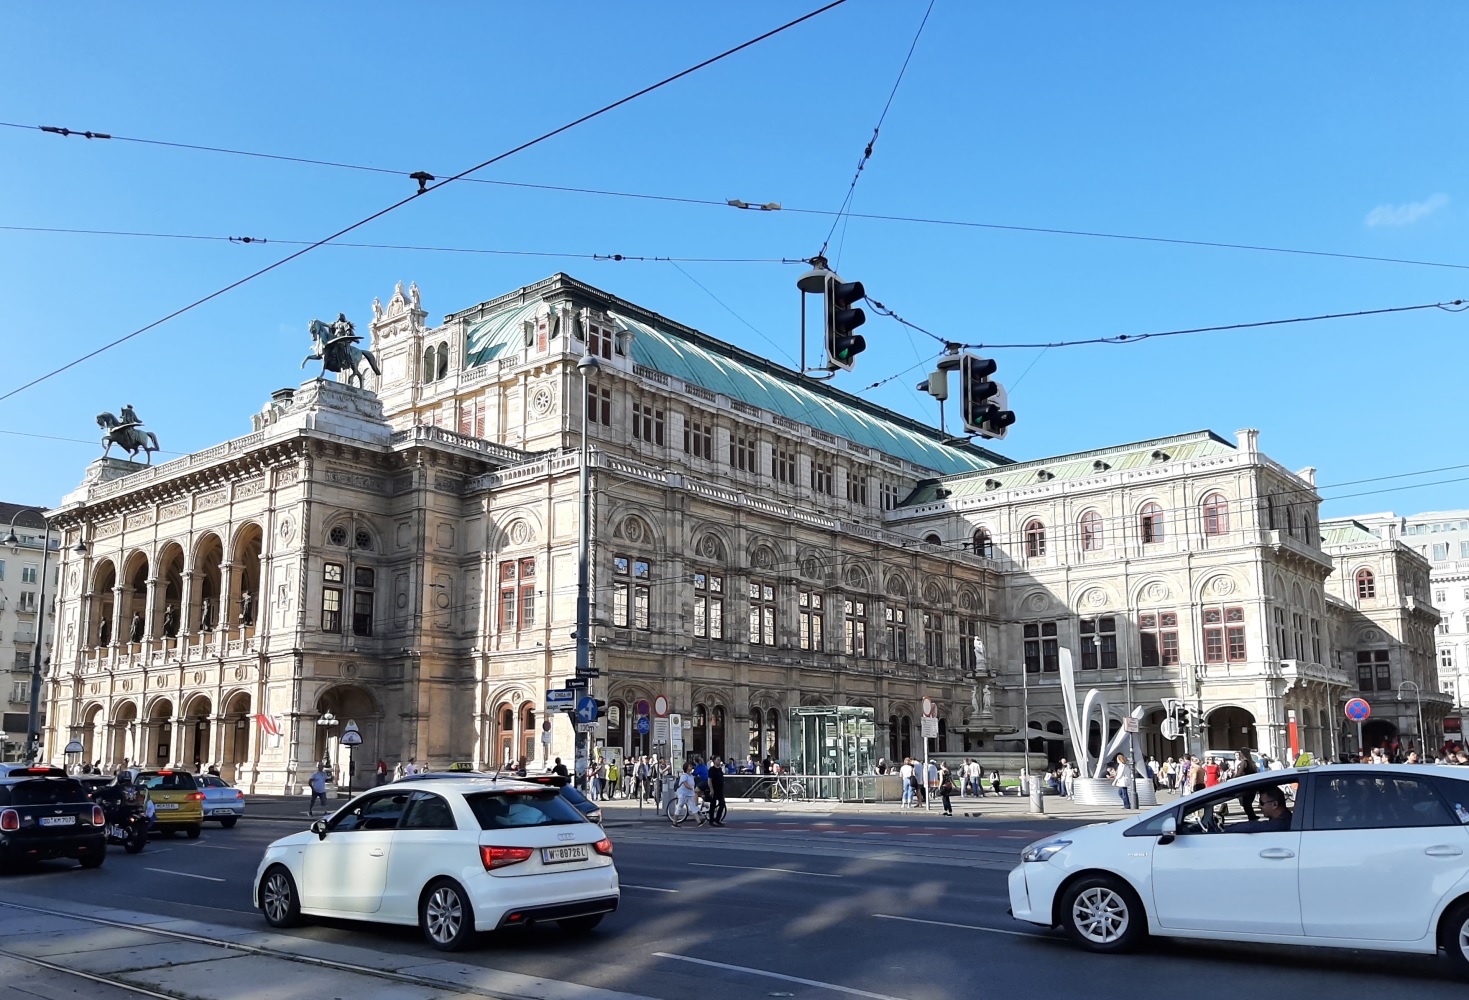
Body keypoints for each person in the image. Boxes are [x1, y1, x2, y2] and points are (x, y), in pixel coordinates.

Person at [1226, 784, 1292, 833]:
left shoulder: (1282, 823)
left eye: (1261, 803)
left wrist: (1226, 829)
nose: (1259, 806)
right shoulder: (1287, 819)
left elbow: (1254, 827)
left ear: (1274, 804)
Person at [707, 755, 727, 826]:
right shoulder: (711, 770)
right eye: (718, 760)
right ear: (714, 761)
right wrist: (711, 789)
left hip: (720, 790)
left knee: (722, 804)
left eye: (720, 760)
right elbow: (709, 780)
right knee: (713, 805)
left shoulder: (720, 769)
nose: (719, 761)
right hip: (714, 789)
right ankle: (711, 820)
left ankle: (718, 819)